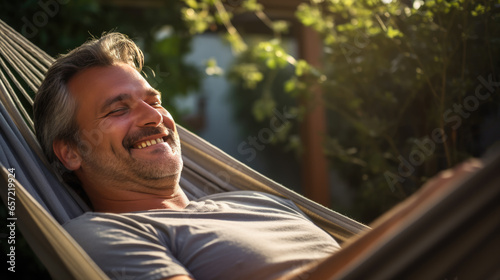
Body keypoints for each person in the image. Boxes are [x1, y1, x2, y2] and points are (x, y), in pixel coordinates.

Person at [33, 32, 341, 280]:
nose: (154, 116)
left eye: (154, 101)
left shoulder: (263, 202)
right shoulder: (101, 234)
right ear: (71, 153)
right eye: (118, 109)